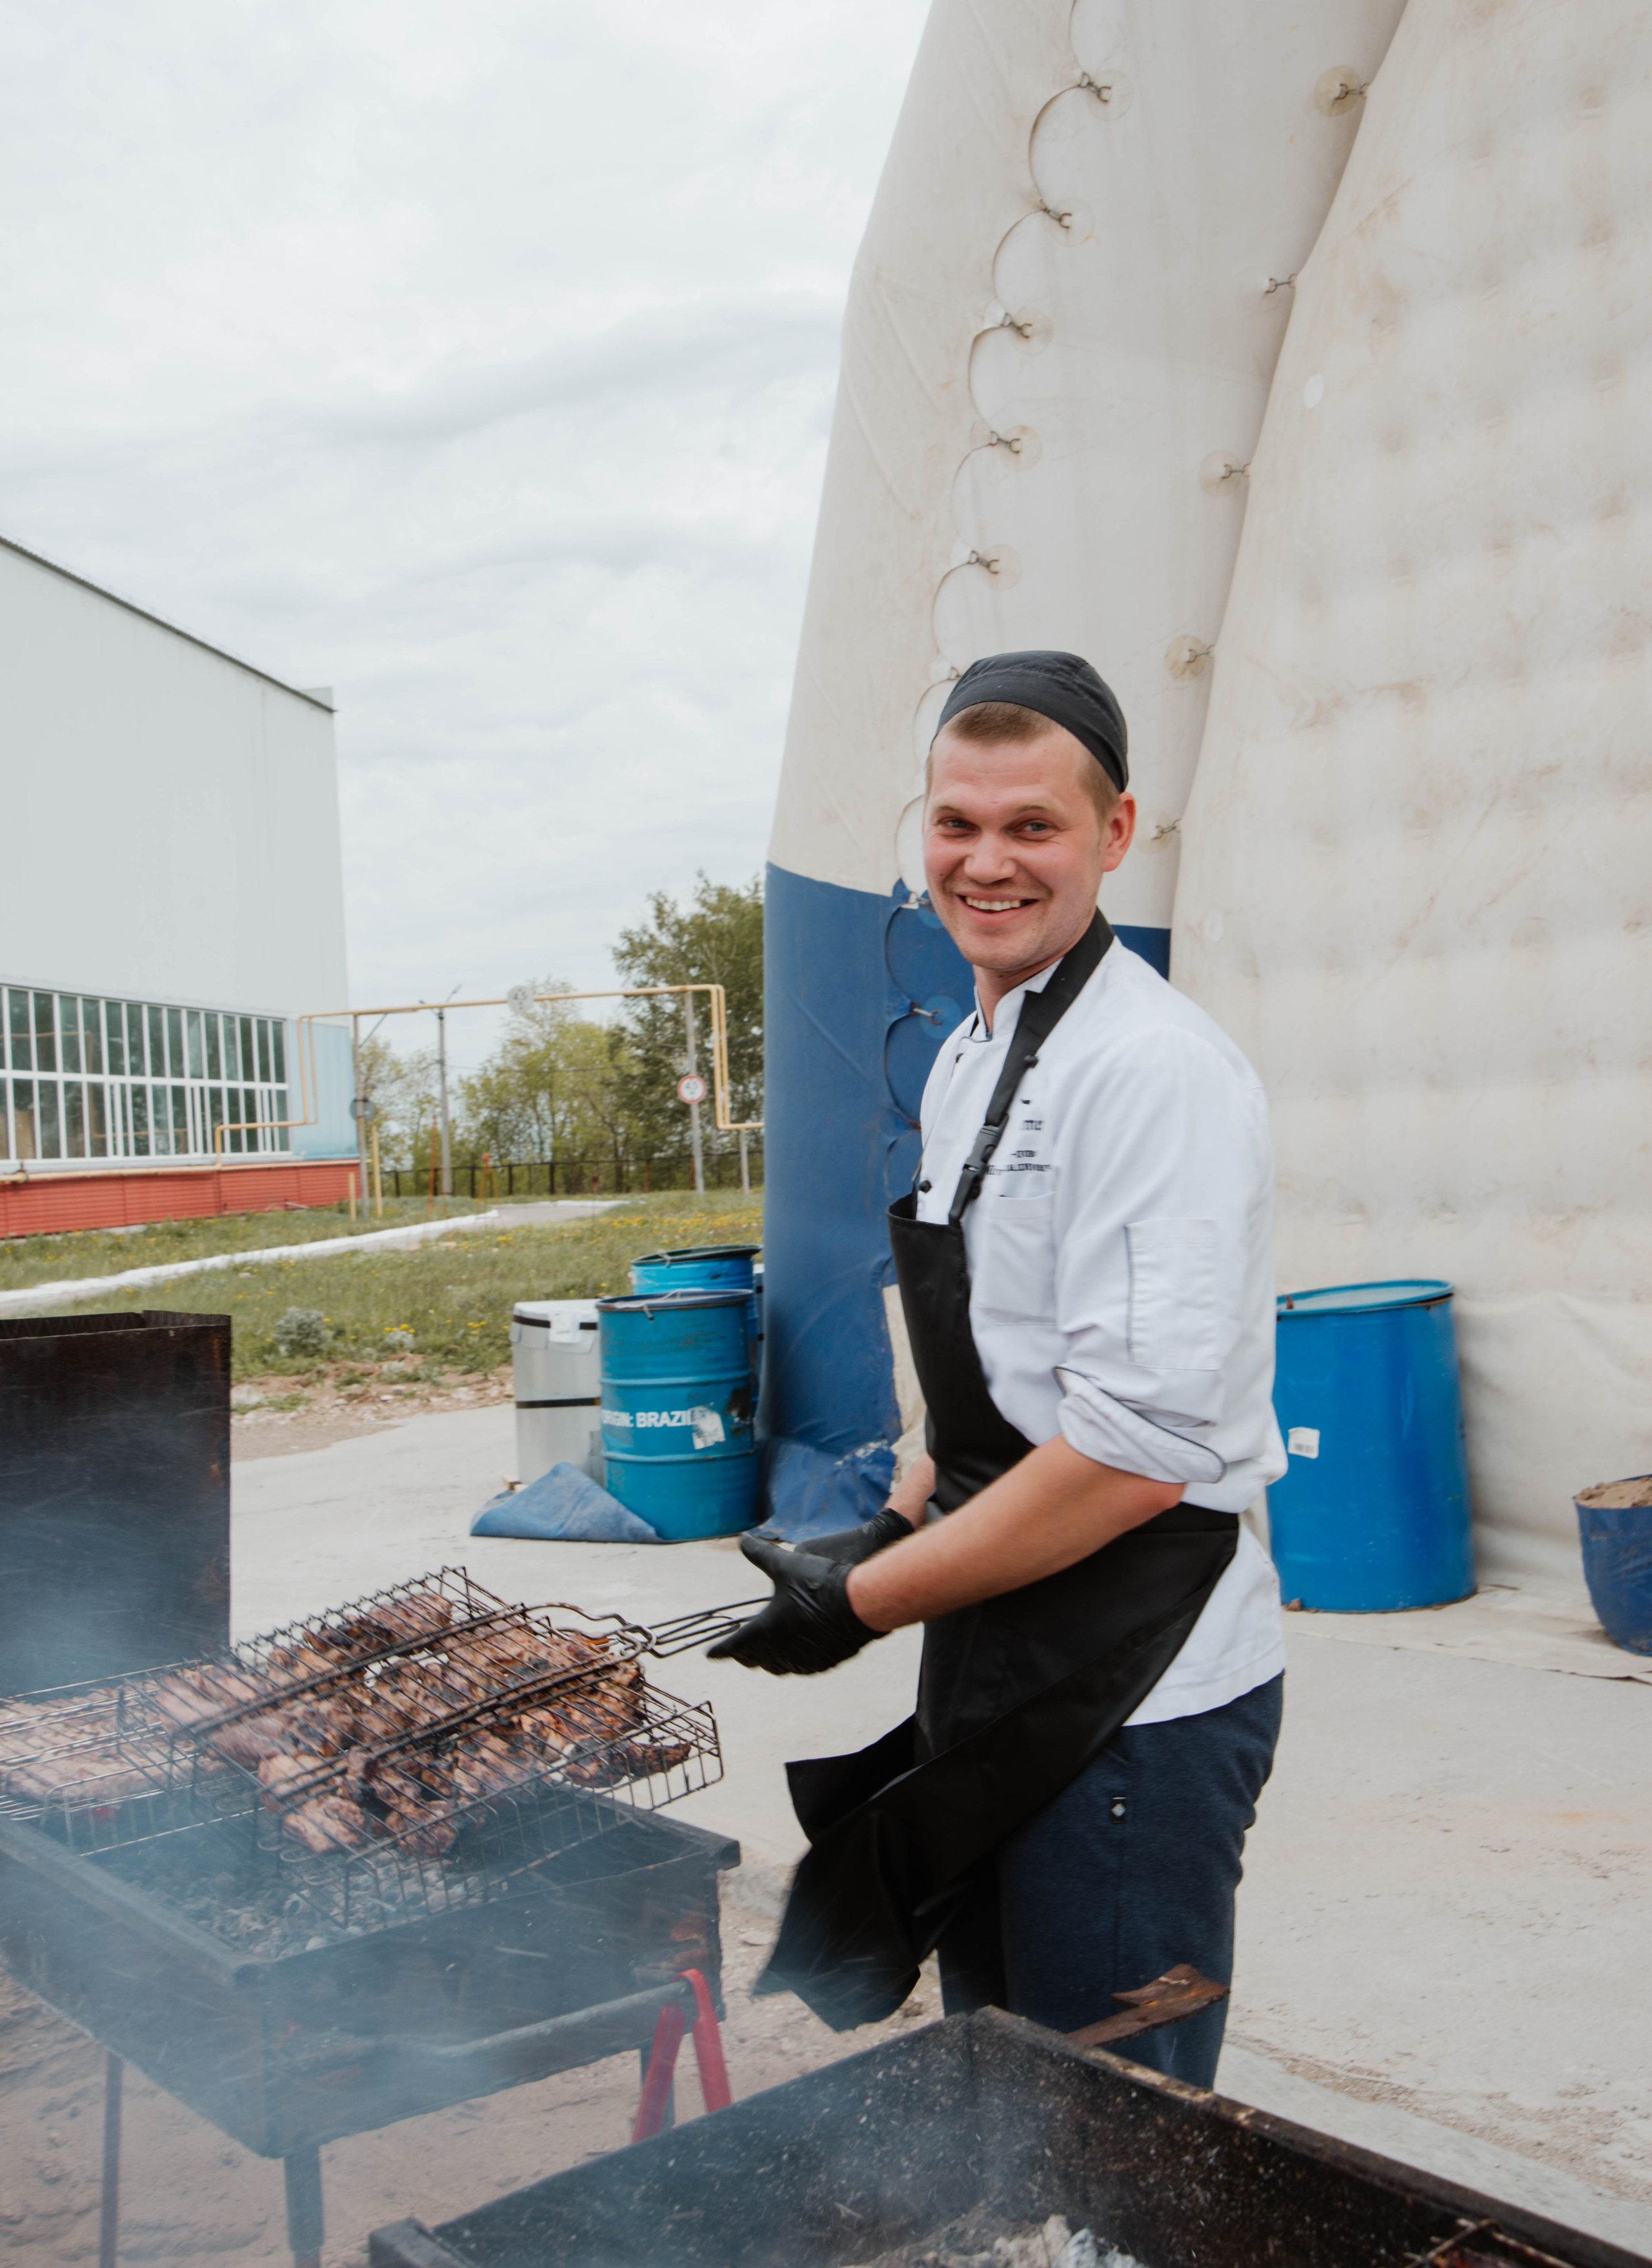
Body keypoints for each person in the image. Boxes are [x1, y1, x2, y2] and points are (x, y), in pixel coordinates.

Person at [709, 650, 1285, 2087]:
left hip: (1134, 1691)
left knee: (1110, 2126)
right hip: (1001, 1648)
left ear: (1115, 830)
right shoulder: (972, 1049)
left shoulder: (1149, 1071)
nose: (986, 862)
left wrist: (865, 1602)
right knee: (998, 2086)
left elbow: (1136, 1454)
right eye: (956, 823)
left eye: (1033, 825)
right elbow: (999, 1358)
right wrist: (896, 1519)